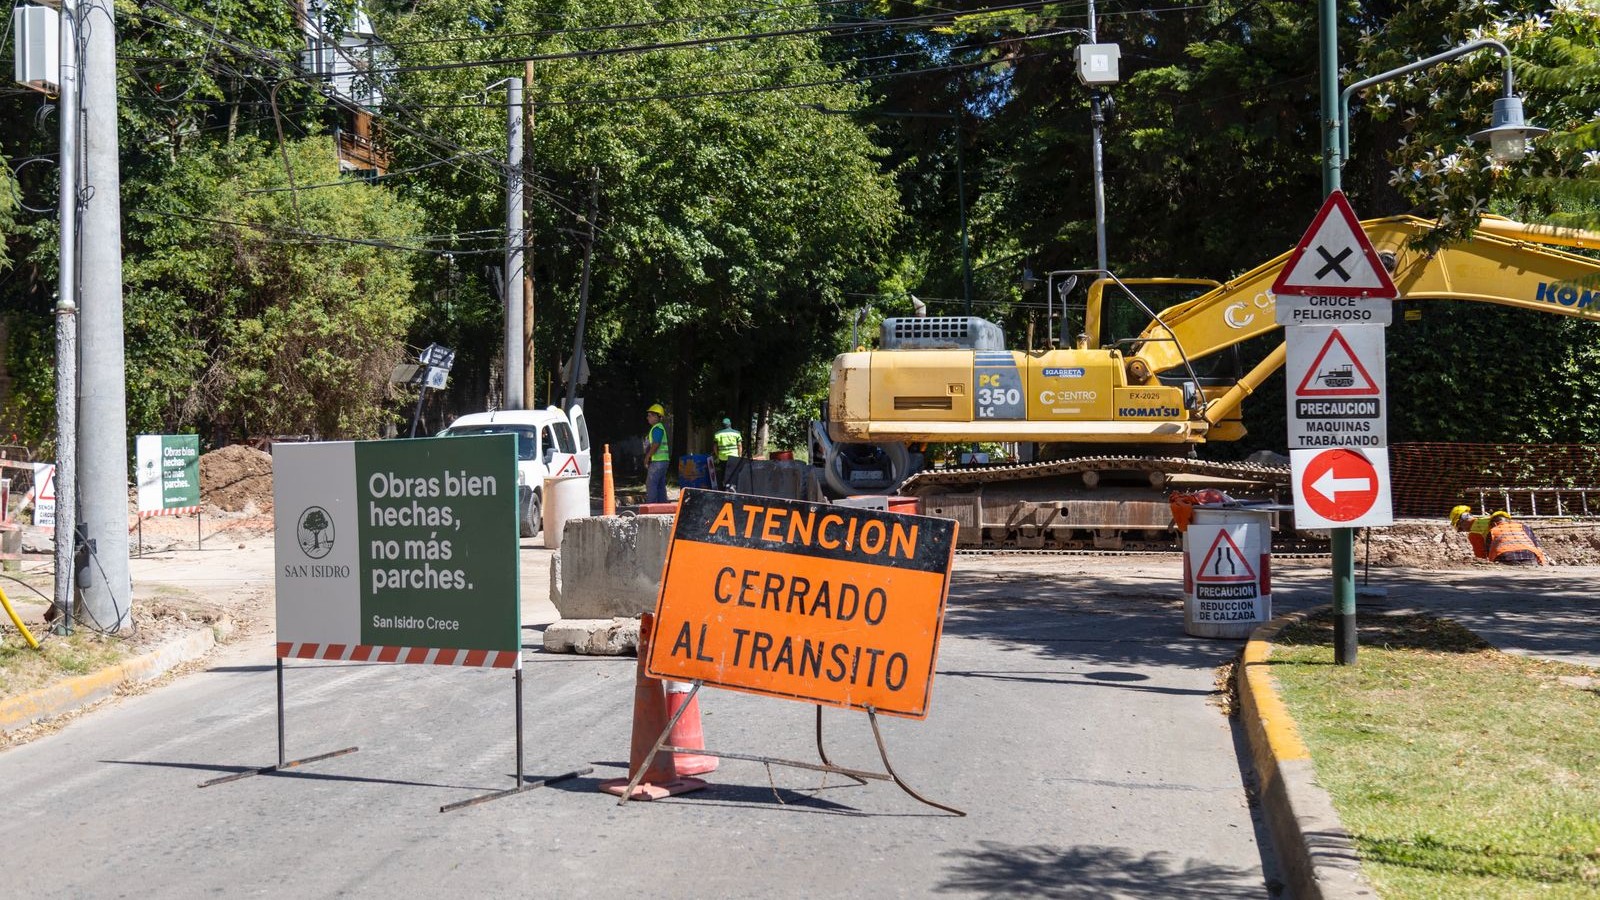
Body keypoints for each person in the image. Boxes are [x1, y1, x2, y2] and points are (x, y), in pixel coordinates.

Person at [1450, 505, 1548, 565]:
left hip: (1505, 558)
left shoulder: (1474, 533)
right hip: (1531, 557)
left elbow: (1481, 557)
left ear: (1462, 521)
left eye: (1460, 527)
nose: (1463, 530)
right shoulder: (1488, 520)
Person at [644, 403, 670, 504]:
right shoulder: (659, 427)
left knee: (651, 483)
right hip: (663, 461)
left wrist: (647, 457)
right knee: (660, 484)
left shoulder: (657, 428)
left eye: (650, 415)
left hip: (658, 462)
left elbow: (656, 444)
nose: (648, 418)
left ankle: (651, 506)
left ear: (656, 416)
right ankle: (661, 506)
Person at [712, 416, 743, 489]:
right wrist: (740, 455)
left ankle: (723, 488)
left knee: (723, 473)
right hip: (734, 457)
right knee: (733, 473)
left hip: (723, 457)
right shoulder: (737, 433)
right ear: (730, 424)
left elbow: (715, 447)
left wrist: (717, 455)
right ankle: (733, 487)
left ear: (722, 425)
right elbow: (740, 446)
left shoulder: (718, 434)